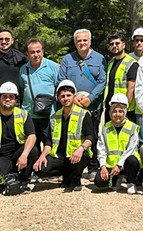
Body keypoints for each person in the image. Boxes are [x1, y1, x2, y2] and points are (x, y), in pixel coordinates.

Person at [58, 29, 105, 176]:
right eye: (79, 40)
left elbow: (102, 81)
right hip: (72, 106)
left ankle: (93, 167)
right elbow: (61, 80)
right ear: (75, 42)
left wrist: (90, 98)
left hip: (93, 105)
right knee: (71, 135)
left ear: (90, 41)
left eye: (85, 40)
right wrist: (74, 99)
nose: (82, 43)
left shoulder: (100, 59)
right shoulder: (67, 59)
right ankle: (70, 166)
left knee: (93, 135)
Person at [33, 80, 95, 192]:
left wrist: (81, 149)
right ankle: (66, 175)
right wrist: (42, 156)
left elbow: (90, 137)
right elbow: (49, 141)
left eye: (68, 95)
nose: (65, 98)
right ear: (58, 98)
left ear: (74, 96)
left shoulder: (83, 114)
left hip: (76, 154)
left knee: (81, 157)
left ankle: (75, 178)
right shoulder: (54, 117)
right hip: (60, 156)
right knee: (39, 168)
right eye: (62, 96)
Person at [0, 82, 38, 195]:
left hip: (17, 154)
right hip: (0, 156)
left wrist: (24, 155)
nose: (7, 99)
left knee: (33, 150)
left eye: (11, 97)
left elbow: (32, 136)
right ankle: (9, 178)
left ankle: (24, 182)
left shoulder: (23, 114)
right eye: (4, 96)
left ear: (15, 100)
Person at [96, 93, 143, 193]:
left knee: (132, 160)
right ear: (110, 112)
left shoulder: (132, 127)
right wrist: (103, 167)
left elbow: (131, 149)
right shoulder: (105, 128)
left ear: (125, 112)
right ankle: (116, 179)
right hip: (111, 165)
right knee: (99, 181)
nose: (117, 114)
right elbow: (101, 149)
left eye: (120, 111)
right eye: (114, 111)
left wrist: (119, 165)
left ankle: (131, 183)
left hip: (126, 164)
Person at [21, 37, 60, 142]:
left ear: (43, 51)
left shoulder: (53, 67)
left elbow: (59, 89)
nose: (36, 54)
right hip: (29, 115)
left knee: (49, 144)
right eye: (32, 52)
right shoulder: (23, 69)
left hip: (48, 115)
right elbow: (22, 90)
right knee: (32, 146)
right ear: (27, 54)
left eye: (38, 51)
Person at [0, 29, 27, 111]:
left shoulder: (20, 58)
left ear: (12, 41)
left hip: (14, 101)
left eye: (7, 39)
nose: (4, 41)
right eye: (1, 39)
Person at [103, 33, 138, 125]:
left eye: (117, 43)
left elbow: (131, 88)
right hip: (111, 107)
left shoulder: (132, 63)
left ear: (124, 45)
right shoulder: (110, 63)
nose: (114, 46)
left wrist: (124, 108)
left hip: (124, 110)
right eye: (111, 44)